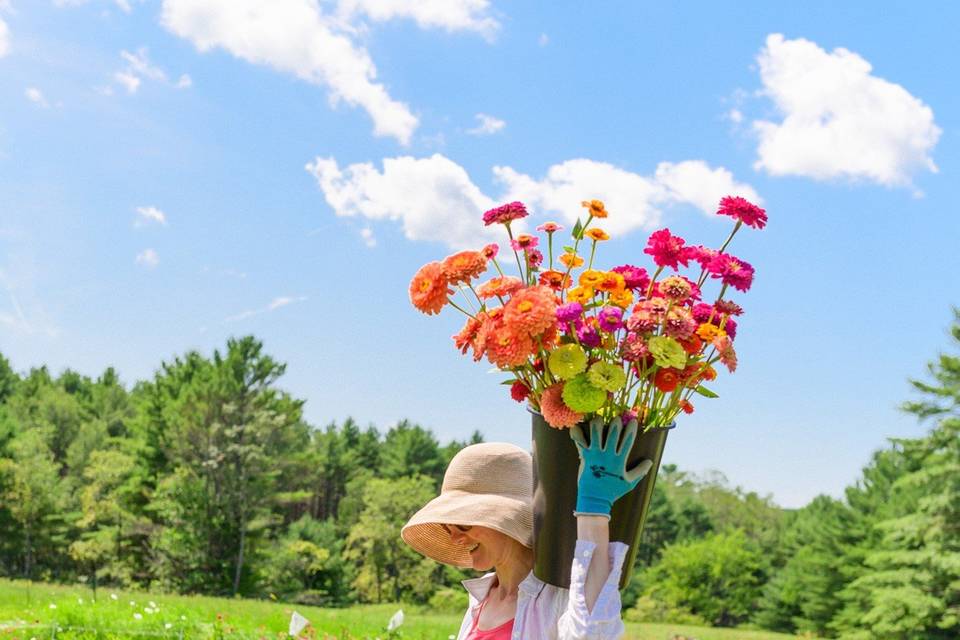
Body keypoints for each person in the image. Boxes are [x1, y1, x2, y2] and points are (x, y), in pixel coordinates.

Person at [401, 417, 652, 640]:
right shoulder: (480, 599)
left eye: (463, 524)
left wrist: (594, 509)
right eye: (448, 528)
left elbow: (593, 634)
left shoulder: (556, 597)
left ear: (505, 518)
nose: (455, 539)